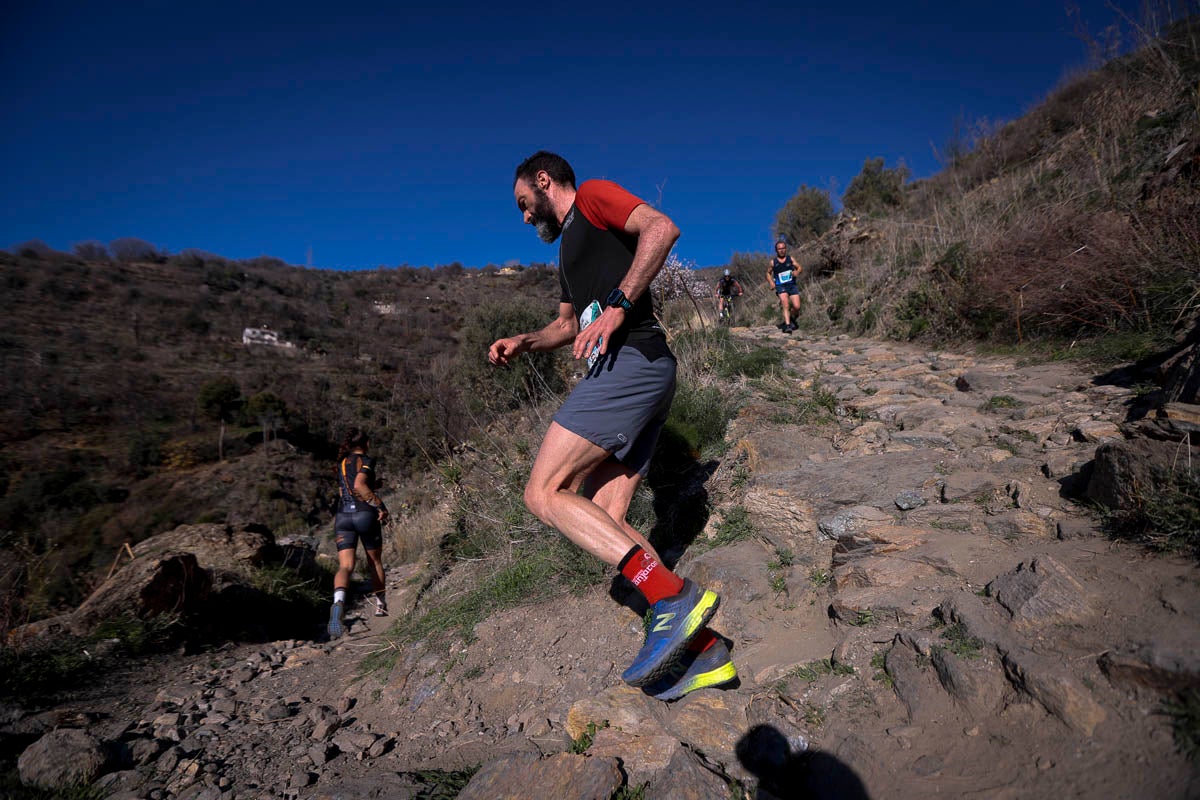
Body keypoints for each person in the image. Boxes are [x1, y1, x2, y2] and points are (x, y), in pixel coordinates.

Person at [488, 151, 736, 699]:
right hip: (639, 373)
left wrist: (621, 304)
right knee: (602, 516)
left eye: (524, 204)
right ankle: (702, 651)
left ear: (544, 181)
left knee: (543, 491)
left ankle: (670, 597)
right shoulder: (567, 254)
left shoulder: (594, 198)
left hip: (632, 363)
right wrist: (523, 342)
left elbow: (661, 227)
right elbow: (566, 324)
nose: (524, 217)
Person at [328, 428, 389, 639]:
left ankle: (338, 602)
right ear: (366, 443)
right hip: (364, 515)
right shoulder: (366, 460)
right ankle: (380, 605)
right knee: (375, 562)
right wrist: (380, 506)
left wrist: (373, 486)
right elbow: (359, 485)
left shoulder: (342, 462)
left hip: (343, 516)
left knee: (345, 566)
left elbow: (345, 490)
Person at [766, 239, 802, 332]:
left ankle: (791, 318)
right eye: (779, 249)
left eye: (783, 248)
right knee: (785, 303)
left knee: (797, 307)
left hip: (792, 285)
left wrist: (797, 272)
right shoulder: (773, 262)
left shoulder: (791, 259)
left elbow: (799, 267)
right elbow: (768, 273)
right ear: (776, 250)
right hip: (780, 286)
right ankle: (788, 325)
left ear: (786, 249)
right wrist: (771, 282)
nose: (781, 250)